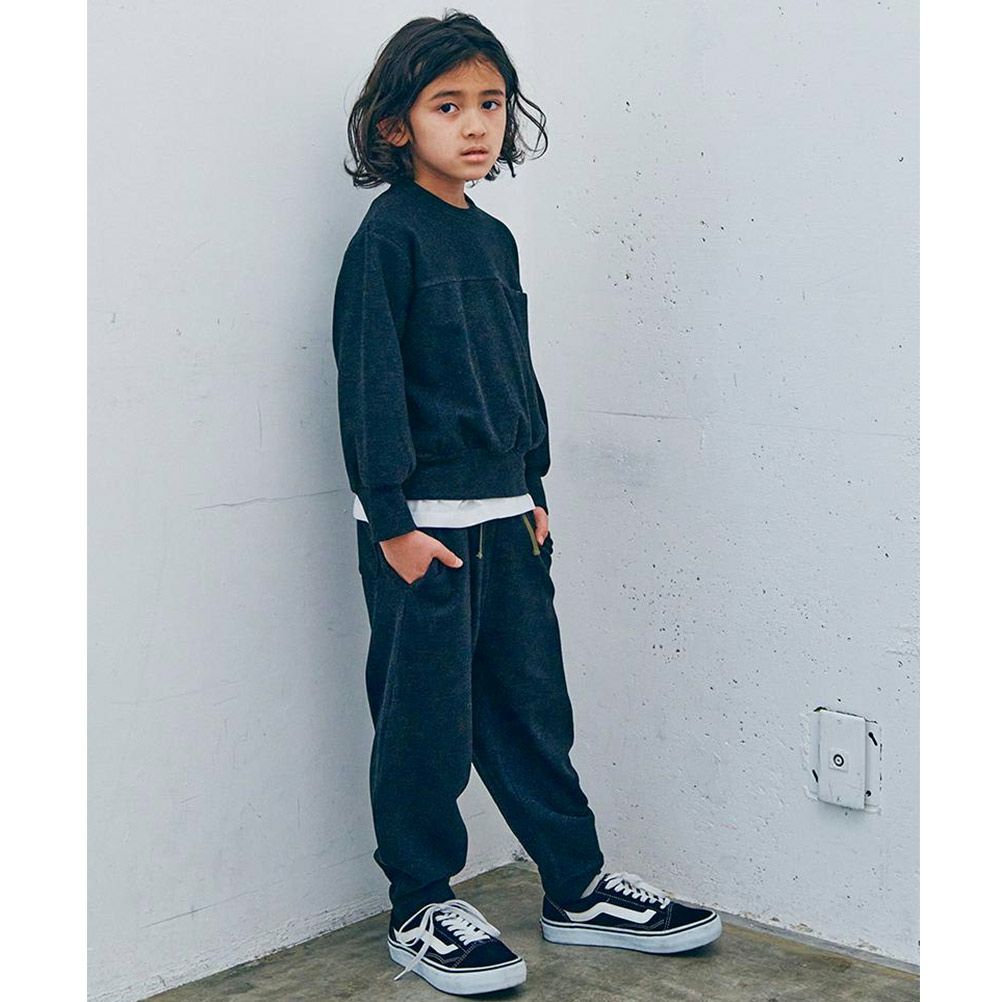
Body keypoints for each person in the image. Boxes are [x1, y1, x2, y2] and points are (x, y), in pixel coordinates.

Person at [331, 11, 722, 995]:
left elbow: (512, 370)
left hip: (506, 516)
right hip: (423, 529)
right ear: (396, 125)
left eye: (491, 103)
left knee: (531, 708)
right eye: (447, 105)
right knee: (425, 724)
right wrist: (394, 525)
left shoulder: (493, 239)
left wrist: (533, 487)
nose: (475, 124)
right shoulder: (387, 241)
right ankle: (421, 902)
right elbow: (368, 384)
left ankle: (577, 888)